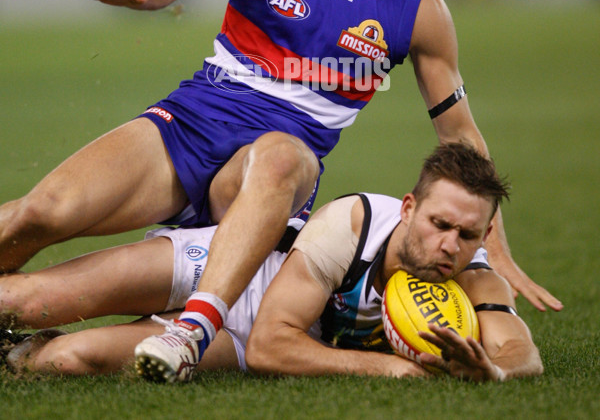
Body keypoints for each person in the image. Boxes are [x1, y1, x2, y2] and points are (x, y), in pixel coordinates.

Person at [0, 0, 560, 378]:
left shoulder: (419, 7)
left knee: (281, 157)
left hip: (272, 176)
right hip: (189, 128)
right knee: (39, 213)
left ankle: (191, 332)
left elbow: (459, 135)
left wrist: (491, 244)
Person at [2, 144, 542, 382]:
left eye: (467, 234)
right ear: (408, 208)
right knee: (27, 302)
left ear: (483, 234)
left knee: (66, 360)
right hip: (231, 264)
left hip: (237, 338)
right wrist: (391, 368)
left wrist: (493, 372)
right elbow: (272, 345)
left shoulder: (474, 276)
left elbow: (520, 350)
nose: (450, 244)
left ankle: (16, 354)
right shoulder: (349, 226)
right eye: (439, 225)